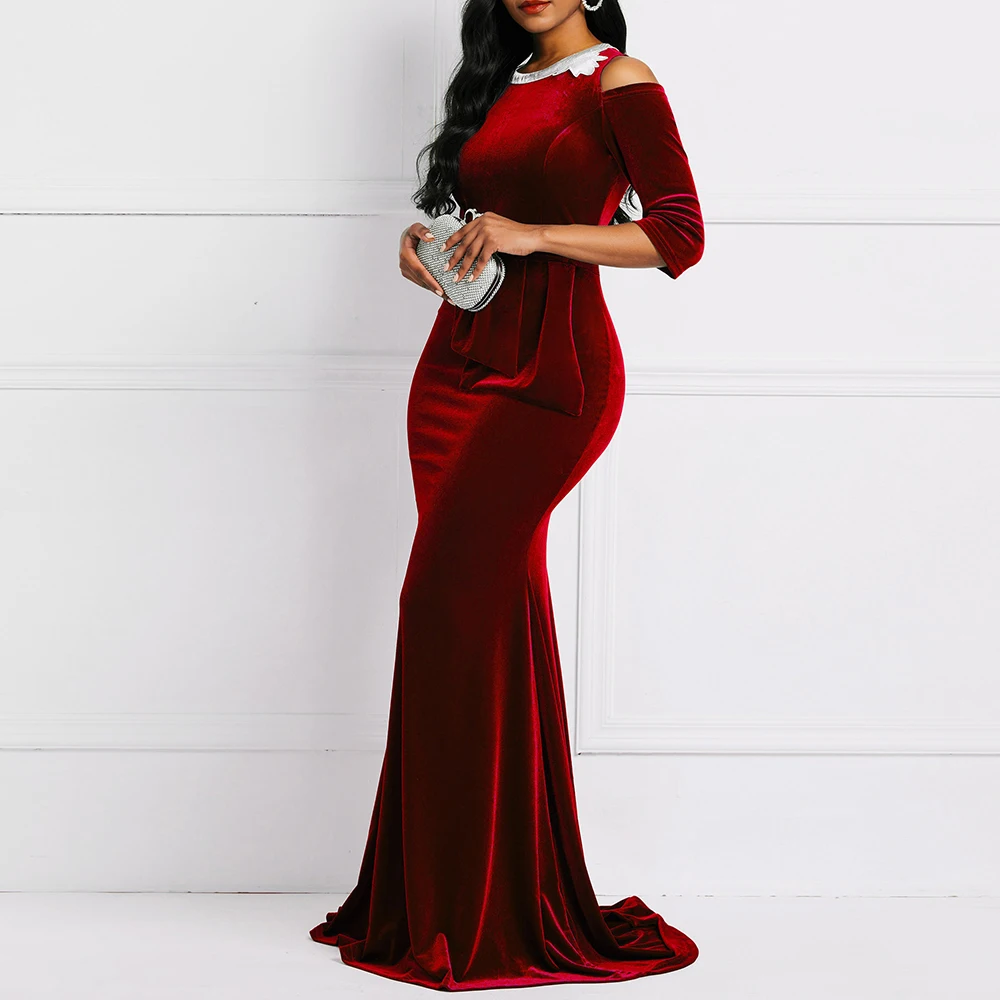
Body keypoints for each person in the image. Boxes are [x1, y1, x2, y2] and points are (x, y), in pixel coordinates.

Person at [310, 0, 705, 989]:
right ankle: (459, 895)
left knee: (441, 603)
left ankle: (482, 910)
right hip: (453, 369)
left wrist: (531, 234)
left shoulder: (619, 82)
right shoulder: (495, 85)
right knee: (483, 613)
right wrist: (427, 249)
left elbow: (677, 236)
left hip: (552, 378)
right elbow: (480, 231)